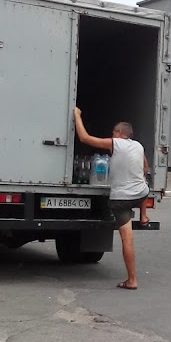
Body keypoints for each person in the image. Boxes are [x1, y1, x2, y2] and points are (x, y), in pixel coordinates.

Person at [73, 108, 150, 290]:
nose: (112, 135)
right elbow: (145, 169)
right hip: (141, 193)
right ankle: (143, 216)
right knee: (144, 187)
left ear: (120, 133)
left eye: (114, 132)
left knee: (127, 240)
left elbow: (85, 138)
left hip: (121, 199)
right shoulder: (139, 146)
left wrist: (77, 115)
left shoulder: (116, 143)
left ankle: (132, 281)